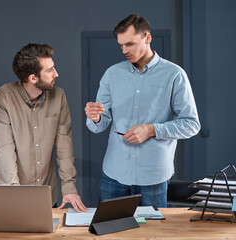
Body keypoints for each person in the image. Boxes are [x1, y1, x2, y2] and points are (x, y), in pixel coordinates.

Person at [84, 14, 200, 207]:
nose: (124, 51)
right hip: (114, 174)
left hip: (153, 177)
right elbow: (99, 125)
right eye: (121, 45)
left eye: (129, 44)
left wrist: (152, 130)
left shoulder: (174, 75)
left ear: (147, 38)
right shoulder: (112, 74)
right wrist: (95, 118)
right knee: (108, 234)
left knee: (152, 236)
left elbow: (191, 124)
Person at [0, 43, 87, 212]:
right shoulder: (2, 98)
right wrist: (14, 194)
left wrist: (69, 188)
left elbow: (64, 145)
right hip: (11, 195)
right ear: (33, 78)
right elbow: (4, 150)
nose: (56, 74)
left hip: (47, 196)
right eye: (49, 70)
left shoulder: (59, 96)